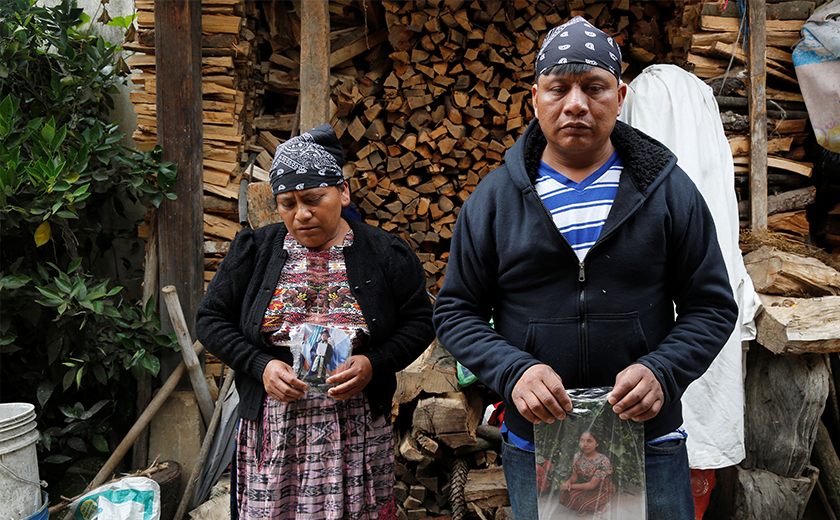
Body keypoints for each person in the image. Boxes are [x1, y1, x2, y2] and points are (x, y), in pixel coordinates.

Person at [432, 16, 738, 520]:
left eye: (593, 87)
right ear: (535, 98)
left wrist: (662, 370)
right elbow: (456, 311)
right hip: (539, 445)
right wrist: (516, 371)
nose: (575, 103)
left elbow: (712, 305)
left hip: (649, 436)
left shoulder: (668, 192)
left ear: (619, 97)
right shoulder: (495, 200)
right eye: (559, 88)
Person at [196, 123, 435, 520]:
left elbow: (420, 322)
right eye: (287, 203)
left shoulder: (384, 251)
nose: (301, 214)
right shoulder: (255, 251)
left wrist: (373, 364)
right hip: (275, 430)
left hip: (354, 426)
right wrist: (262, 366)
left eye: (313, 199)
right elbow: (210, 320)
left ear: (342, 192)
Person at [559, 430, 615, 516]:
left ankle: (602, 505)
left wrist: (570, 486)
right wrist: (568, 482)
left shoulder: (603, 460)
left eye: (589, 441)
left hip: (602, 489)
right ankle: (586, 506)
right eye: (582, 440)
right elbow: (574, 477)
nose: (585, 444)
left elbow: (592, 485)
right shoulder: (578, 456)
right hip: (586, 486)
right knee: (567, 494)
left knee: (581, 500)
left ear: (597, 443)